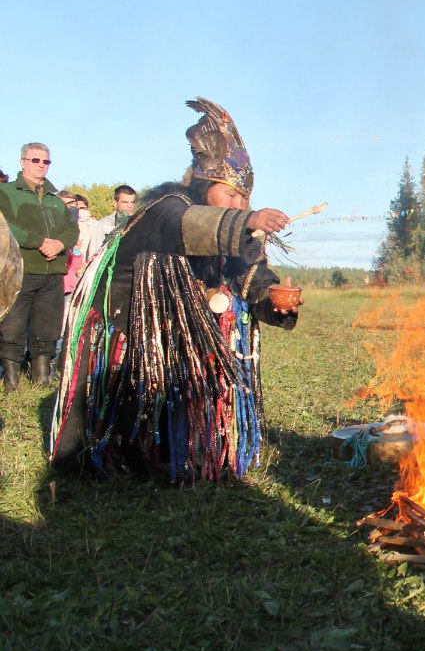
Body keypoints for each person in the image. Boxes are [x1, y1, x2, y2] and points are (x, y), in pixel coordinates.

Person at [49, 98, 297, 481]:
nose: (240, 203)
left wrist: (274, 303)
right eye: (230, 195)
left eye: (244, 198)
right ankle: (84, 462)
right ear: (202, 186)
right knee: (106, 422)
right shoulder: (167, 207)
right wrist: (246, 219)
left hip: (174, 335)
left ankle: (169, 456)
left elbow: (250, 277)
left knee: (167, 424)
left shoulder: (235, 233)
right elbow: (184, 227)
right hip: (124, 327)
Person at [0, 143, 79, 391]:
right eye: (35, 160)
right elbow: (6, 225)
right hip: (19, 270)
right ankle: (11, 377)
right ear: (22, 162)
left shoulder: (56, 199)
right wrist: (39, 242)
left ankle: (41, 376)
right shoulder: (7, 192)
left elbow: (72, 229)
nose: (41, 166)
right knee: (13, 324)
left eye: (46, 162)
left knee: (47, 326)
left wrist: (59, 243)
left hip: (52, 271)